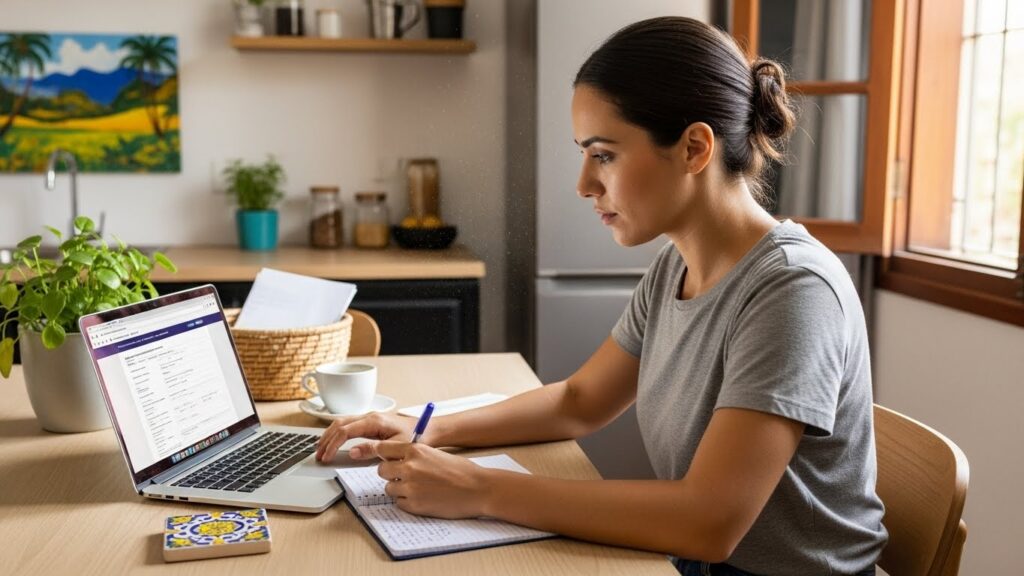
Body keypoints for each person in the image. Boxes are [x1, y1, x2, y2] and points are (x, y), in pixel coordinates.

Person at [316, 16, 886, 576]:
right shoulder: (675, 265)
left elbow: (708, 524)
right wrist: (424, 425)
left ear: (693, 148)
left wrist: (479, 487)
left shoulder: (793, 290)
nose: (584, 183)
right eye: (584, 154)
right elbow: (579, 401)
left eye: (604, 154)